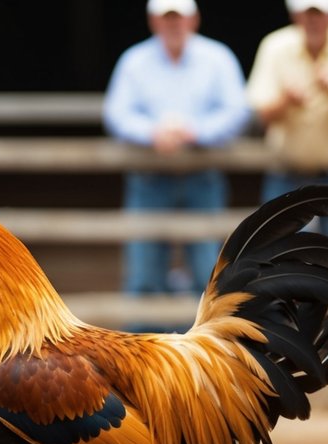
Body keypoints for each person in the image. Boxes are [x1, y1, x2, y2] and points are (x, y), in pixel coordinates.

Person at [102, 0, 249, 304]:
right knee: (144, 273)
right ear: (153, 21)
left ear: (193, 20)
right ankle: (142, 348)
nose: (173, 25)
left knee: (207, 271)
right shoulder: (134, 61)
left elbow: (236, 111)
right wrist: (151, 133)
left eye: (178, 18)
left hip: (202, 175)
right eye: (166, 18)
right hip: (149, 176)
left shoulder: (217, 58)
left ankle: (207, 349)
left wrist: (196, 132)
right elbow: (116, 113)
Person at [246, 0, 328, 253]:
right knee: (276, 254)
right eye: (307, 13)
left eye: (319, 13)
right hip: (286, 170)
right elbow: (260, 116)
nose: (313, 20)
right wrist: (286, 100)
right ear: (295, 15)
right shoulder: (274, 46)